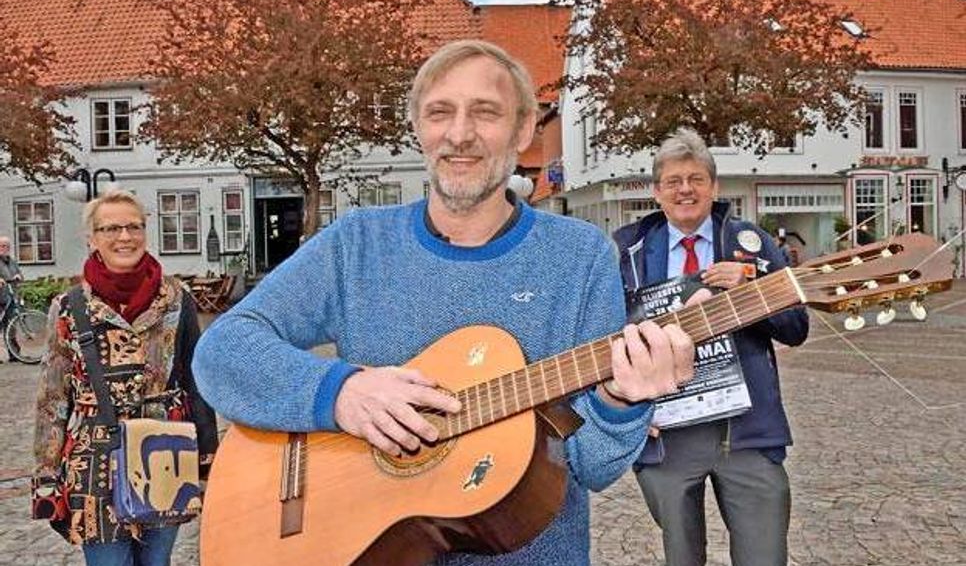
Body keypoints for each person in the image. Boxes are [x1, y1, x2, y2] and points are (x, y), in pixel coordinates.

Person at [193, 39, 697, 565]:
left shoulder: (579, 256)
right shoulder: (357, 244)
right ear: (418, 128)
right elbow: (221, 350)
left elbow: (591, 466)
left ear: (523, 129)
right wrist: (340, 393)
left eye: (486, 112)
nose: (460, 134)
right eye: (440, 112)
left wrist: (621, 403)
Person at [612, 133, 809, 566]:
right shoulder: (626, 250)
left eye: (696, 179)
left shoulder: (751, 243)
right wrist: (627, 412)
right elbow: (603, 341)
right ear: (657, 191)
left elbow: (797, 328)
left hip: (747, 431)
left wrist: (751, 291)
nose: (686, 189)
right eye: (674, 180)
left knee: (764, 557)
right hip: (668, 432)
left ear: (714, 187)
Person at [31, 189, 219, 566]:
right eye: (111, 228)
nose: (124, 237)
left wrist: (207, 460)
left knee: (157, 562)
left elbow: (195, 380)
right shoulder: (69, 307)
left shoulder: (177, 299)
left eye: (134, 226)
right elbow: (53, 396)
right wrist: (46, 474)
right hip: (94, 464)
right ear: (92, 238)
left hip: (164, 453)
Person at [0, 235, 24, 361]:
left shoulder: (12, 261)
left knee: (11, 327)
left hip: (10, 297)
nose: (5, 248)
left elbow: (20, 274)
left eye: (7, 246)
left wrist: (18, 276)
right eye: (2, 246)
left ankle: (14, 354)